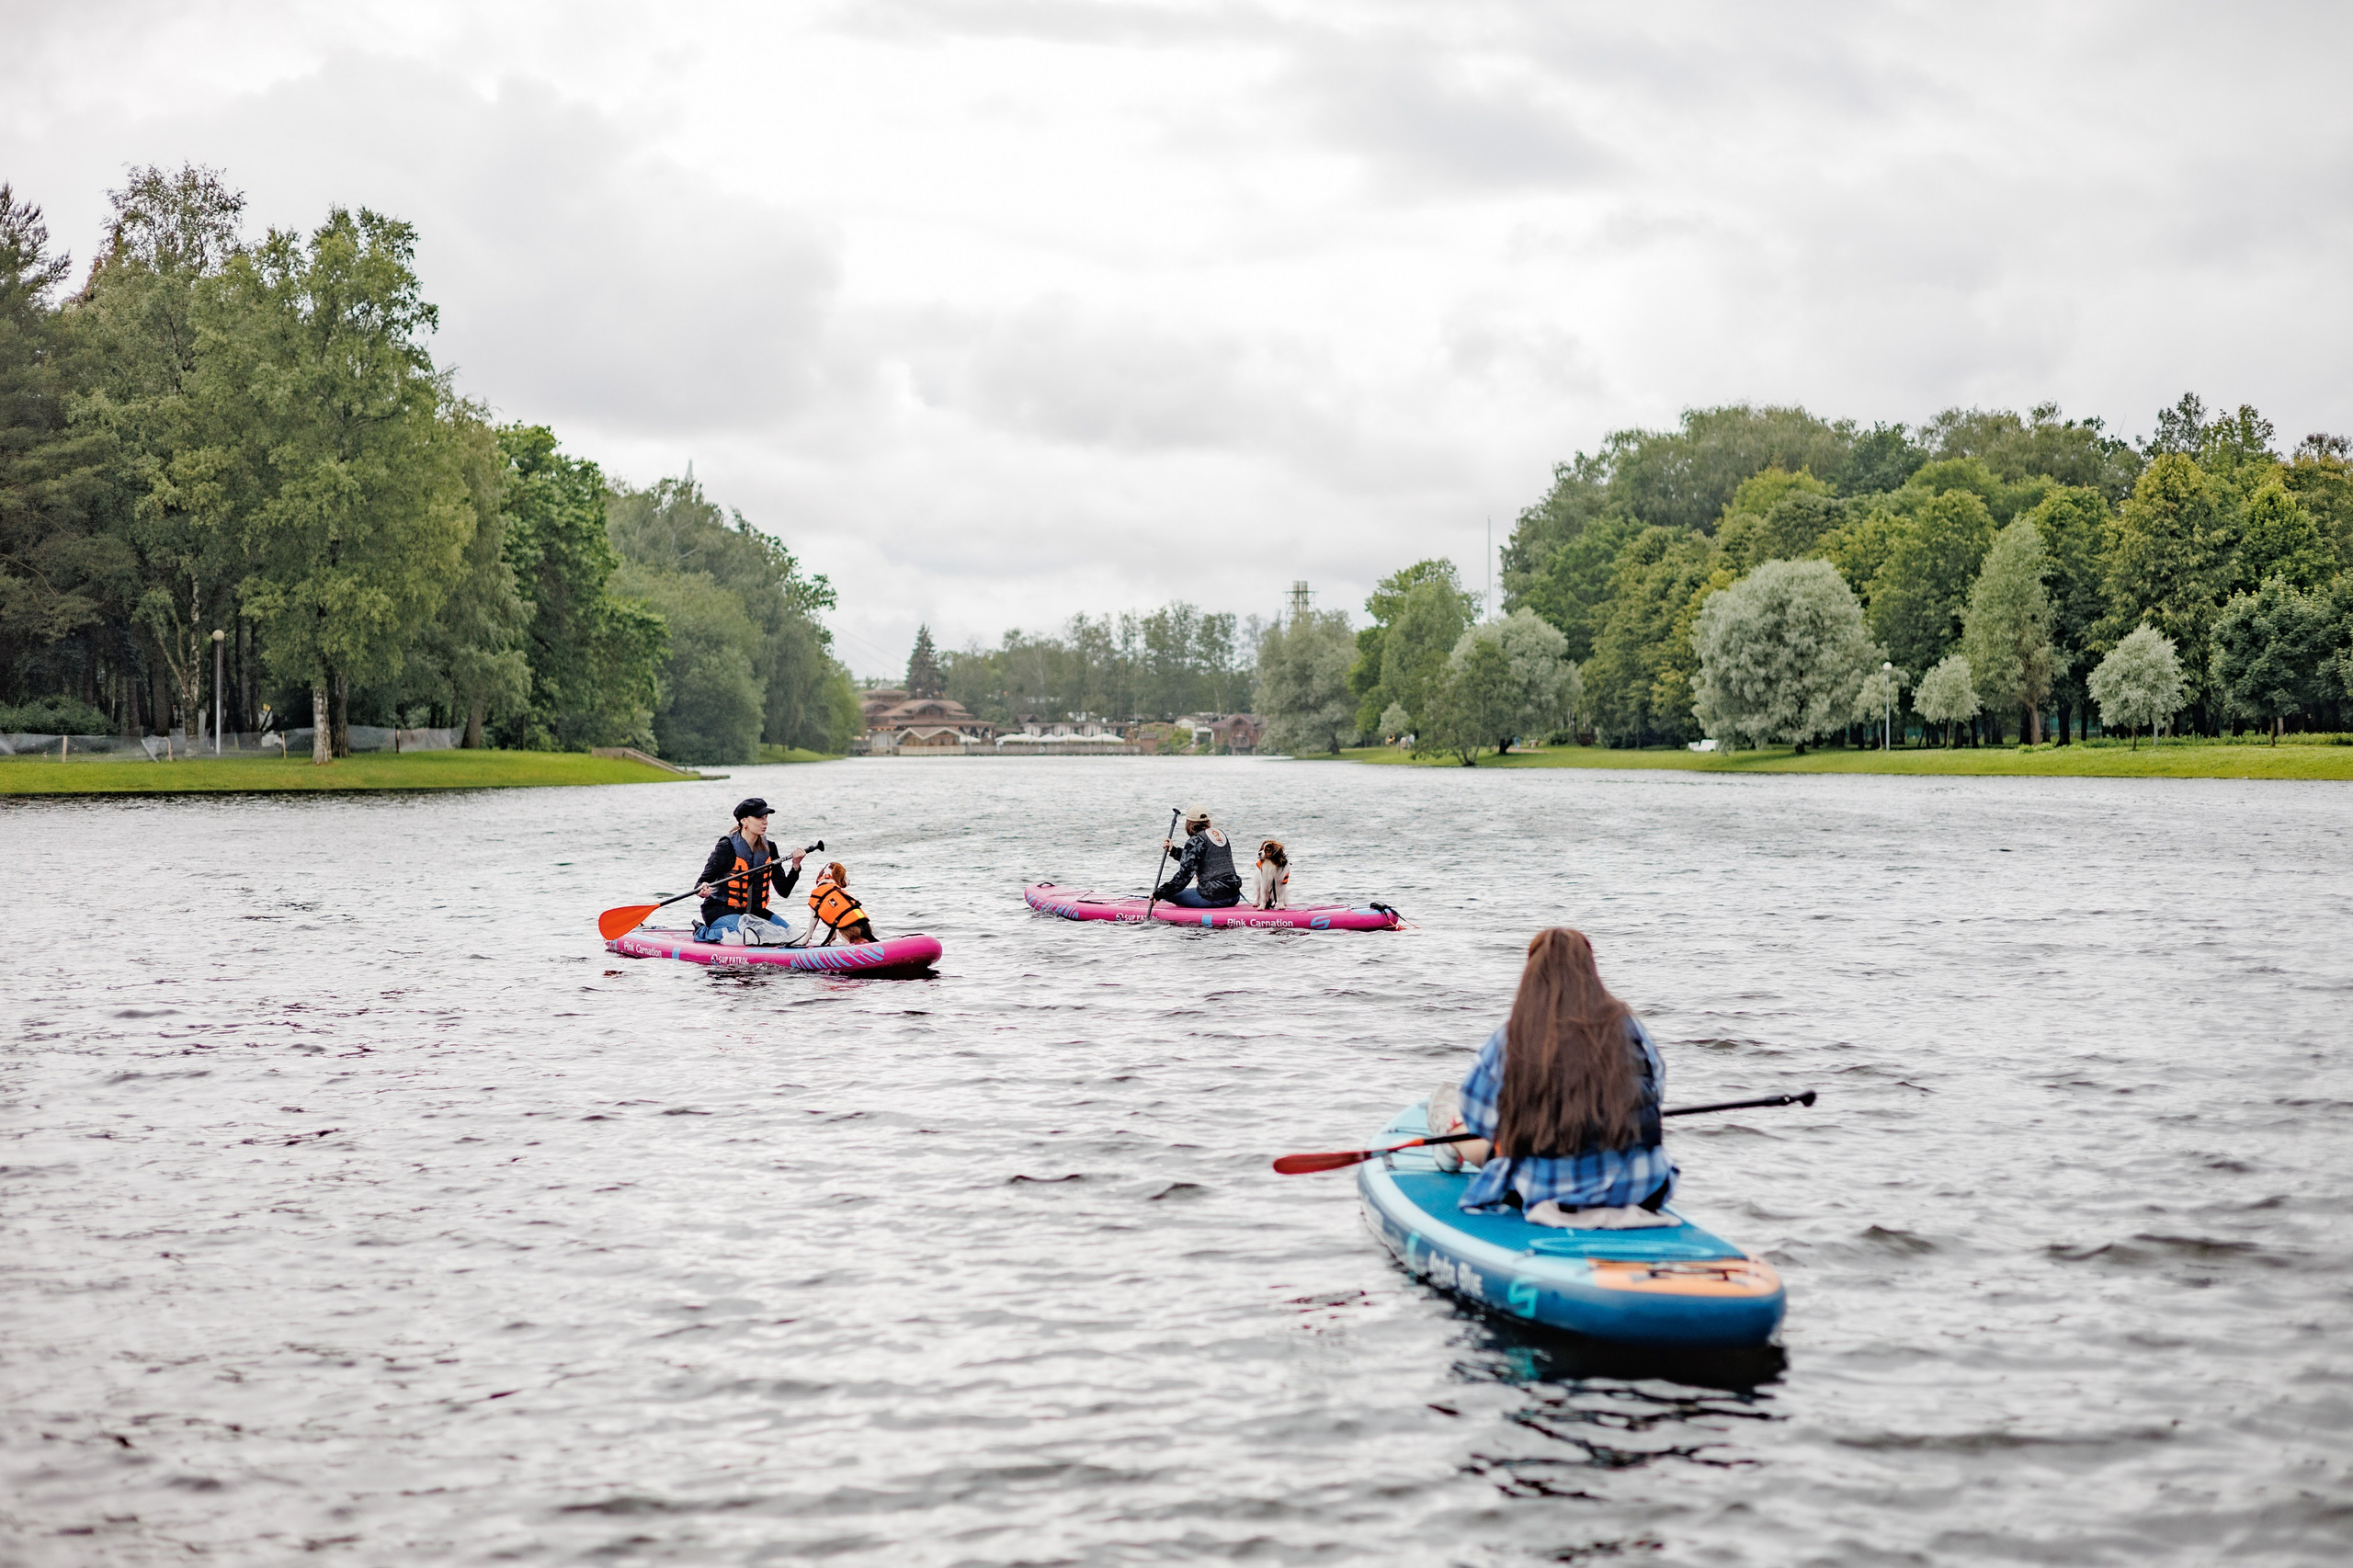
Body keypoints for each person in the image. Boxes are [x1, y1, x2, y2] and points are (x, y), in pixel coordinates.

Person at [1429, 927, 1676, 1217]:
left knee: (1459, 1118)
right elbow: (1654, 1090)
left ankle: (1450, 1142)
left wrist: (1514, 1127)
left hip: (1544, 1192)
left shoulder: (1511, 1036)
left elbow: (1478, 1118)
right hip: (1643, 1188)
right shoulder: (1628, 1026)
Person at [693, 798, 805, 944]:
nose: (765, 822)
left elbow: (784, 891)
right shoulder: (726, 847)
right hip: (721, 911)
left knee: (791, 935)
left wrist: (795, 866)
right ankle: (703, 932)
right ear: (744, 821)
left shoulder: (770, 848)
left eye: (766, 817)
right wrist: (702, 889)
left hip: (755, 912)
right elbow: (701, 883)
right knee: (746, 936)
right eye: (759, 817)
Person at [1154, 803, 1243, 908]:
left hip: (1214, 898)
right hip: (1234, 896)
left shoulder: (1195, 840)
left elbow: (1184, 876)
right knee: (1187, 890)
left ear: (1189, 824)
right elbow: (1204, 859)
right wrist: (1173, 851)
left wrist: (1159, 893)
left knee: (1170, 894)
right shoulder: (1219, 834)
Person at [808, 860, 879, 945]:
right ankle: (864, 940)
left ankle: (848, 942)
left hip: (851, 931)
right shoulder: (835, 892)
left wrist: (805, 939)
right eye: (844, 876)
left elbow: (815, 918)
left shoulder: (822, 894)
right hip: (865, 928)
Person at [1254, 840, 1290, 909]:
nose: (1260, 853)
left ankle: (1281, 902)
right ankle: (1260, 900)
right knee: (1260, 885)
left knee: (1282, 886)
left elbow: (1283, 885)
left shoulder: (1285, 868)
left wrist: (1281, 902)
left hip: (1278, 869)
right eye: (1262, 850)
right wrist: (1263, 903)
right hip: (1264, 871)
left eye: (1267, 851)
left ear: (1275, 853)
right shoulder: (1263, 865)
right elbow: (1263, 886)